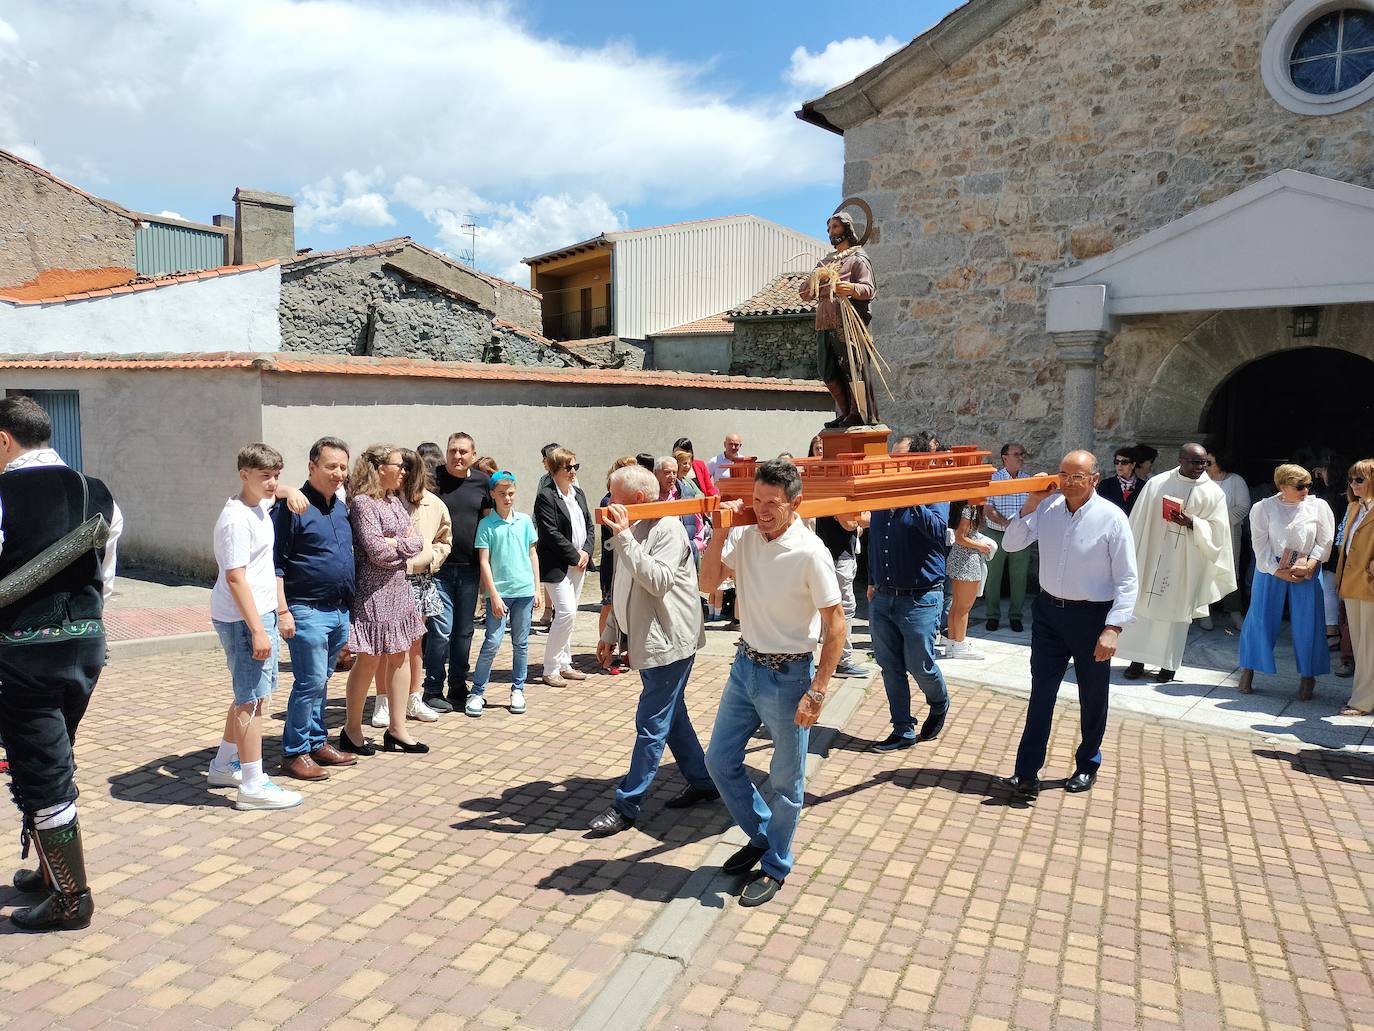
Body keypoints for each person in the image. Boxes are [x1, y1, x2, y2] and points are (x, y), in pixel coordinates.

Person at [0, 396, 122, 931]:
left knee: (43, 768)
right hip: (85, 645)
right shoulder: (97, 491)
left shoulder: (3, 493)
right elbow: (107, 576)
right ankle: (52, 873)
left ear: (4, 439)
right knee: (50, 754)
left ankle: (72, 900)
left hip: (22, 653)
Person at [700, 460, 844, 908]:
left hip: (789, 675)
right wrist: (722, 529)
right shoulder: (743, 536)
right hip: (745, 666)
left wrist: (818, 689)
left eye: (773, 504)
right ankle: (763, 835)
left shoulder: (810, 551)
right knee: (719, 761)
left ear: (795, 503)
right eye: (757, 501)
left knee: (786, 780)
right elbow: (708, 584)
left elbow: (836, 625)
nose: (762, 511)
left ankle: (777, 865)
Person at [996, 451, 1138, 801]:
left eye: (1078, 476)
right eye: (1064, 475)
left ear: (1094, 478)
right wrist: (1031, 501)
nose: (1069, 482)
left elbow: (1127, 580)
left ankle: (1087, 763)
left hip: (1092, 617)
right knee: (1041, 693)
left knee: (1092, 696)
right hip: (1048, 615)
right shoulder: (1047, 509)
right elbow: (1010, 543)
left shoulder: (1112, 518)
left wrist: (1113, 628)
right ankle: (1026, 773)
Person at [588, 464, 718, 836]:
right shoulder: (631, 528)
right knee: (671, 717)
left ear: (639, 500)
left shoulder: (667, 529)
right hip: (650, 640)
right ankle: (704, 781)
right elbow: (623, 581)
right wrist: (611, 631)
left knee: (651, 723)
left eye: (615, 495)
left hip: (669, 643)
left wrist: (625, 538)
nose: (609, 502)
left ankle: (626, 806)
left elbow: (658, 581)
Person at [205, 443, 303, 816]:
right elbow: (234, 578)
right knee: (251, 700)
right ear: (243, 474)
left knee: (253, 694)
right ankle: (252, 784)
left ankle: (224, 764)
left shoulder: (259, 503)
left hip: (259, 613)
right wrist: (259, 630)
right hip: (244, 618)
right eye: (265, 476)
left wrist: (289, 489)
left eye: (275, 475)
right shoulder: (236, 519)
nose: (272, 483)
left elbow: (277, 491)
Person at [272, 436, 360, 782]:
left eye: (342, 466)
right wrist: (283, 610)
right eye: (330, 466)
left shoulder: (339, 507)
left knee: (321, 681)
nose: (338, 473)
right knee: (308, 682)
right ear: (312, 467)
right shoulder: (292, 507)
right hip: (305, 609)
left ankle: (317, 741)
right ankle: (294, 753)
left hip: (338, 610)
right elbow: (276, 562)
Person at [1117, 444, 1236, 683]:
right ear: (1180, 460)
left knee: (1175, 615)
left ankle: (1168, 666)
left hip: (1185, 562)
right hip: (1153, 556)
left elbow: (1219, 532)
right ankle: (1137, 661)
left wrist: (1193, 523)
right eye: (1195, 462)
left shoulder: (1213, 493)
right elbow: (1138, 522)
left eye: (1203, 463)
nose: (1200, 468)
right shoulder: (1156, 484)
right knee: (1144, 610)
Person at [339, 445, 428, 755]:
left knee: (400, 656)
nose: (403, 471)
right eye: (398, 466)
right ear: (379, 468)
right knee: (369, 659)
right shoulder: (363, 504)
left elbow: (417, 541)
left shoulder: (393, 501)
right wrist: (400, 544)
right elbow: (377, 553)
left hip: (398, 590)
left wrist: (398, 543)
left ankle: (397, 728)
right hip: (373, 593)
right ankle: (351, 729)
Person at [1236, 464, 1334, 701]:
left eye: (1309, 485)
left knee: (1308, 621)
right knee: (1260, 616)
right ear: (1283, 486)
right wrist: (1275, 570)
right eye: (1300, 486)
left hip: (1305, 564)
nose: (1306, 490)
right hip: (1271, 566)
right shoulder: (1263, 508)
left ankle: (1308, 675)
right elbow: (1259, 545)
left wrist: (1311, 563)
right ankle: (1248, 668)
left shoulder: (1318, 506)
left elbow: (1326, 538)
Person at [866, 492, 952, 751]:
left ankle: (939, 701)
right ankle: (902, 729)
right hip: (883, 596)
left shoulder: (934, 496)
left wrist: (913, 500)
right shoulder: (880, 499)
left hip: (921, 597)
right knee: (890, 666)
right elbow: (876, 541)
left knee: (920, 665)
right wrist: (872, 579)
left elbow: (939, 531)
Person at [373, 448, 451, 728]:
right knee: (386, 644)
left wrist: (432, 558)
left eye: (409, 467)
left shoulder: (433, 503)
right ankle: (382, 702)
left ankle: (413, 699)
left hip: (420, 578)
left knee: (415, 643)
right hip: (389, 578)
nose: (404, 473)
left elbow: (444, 538)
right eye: (400, 467)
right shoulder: (381, 501)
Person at [423, 432, 492, 712]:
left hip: (470, 570)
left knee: (464, 632)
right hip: (439, 570)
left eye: (463, 451)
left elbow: (488, 524)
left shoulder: (482, 483)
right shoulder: (432, 480)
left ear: (473, 455)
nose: (457, 456)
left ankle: (457, 686)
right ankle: (432, 688)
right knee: (440, 629)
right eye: (453, 451)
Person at [468, 471, 541, 716]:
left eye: (511, 493)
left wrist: (537, 587)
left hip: (524, 591)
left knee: (521, 644)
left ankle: (518, 689)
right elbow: (484, 562)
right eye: (502, 494)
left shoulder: (524, 521)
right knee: (492, 641)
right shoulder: (487, 524)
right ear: (492, 495)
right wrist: (493, 594)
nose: (507, 498)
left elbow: (532, 554)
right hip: (499, 593)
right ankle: (477, 692)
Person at [798, 210, 878, 428]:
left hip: (847, 321)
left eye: (835, 227)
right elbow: (804, 293)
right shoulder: (824, 262)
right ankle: (844, 412)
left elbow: (869, 289)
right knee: (827, 369)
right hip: (824, 320)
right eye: (829, 228)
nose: (831, 232)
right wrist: (815, 279)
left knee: (852, 366)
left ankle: (857, 412)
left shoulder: (857, 258)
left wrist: (850, 288)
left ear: (846, 228)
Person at [535, 447, 593, 687]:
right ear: (554, 470)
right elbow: (549, 532)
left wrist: (587, 551)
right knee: (566, 612)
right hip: (557, 565)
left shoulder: (578, 494)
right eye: (567, 467)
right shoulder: (546, 496)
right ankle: (550, 668)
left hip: (579, 563)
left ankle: (565, 663)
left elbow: (589, 525)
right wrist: (574, 555)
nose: (572, 472)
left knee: (570, 615)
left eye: (575, 467)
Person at [1335, 459, 1374, 716]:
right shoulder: (1353, 507)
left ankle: (1362, 701)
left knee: (1368, 646)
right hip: (1351, 582)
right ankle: (1363, 697)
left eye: (1359, 479)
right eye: (1351, 479)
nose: (1353, 484)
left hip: (1369, 583)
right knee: (1361, 645)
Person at [982, 442, 1034, 632]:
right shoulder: (993, 479)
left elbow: (1033, 508)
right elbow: (988, 509)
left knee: (1019, 577)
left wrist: (1020, 528)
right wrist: (1007, 524)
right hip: (996, 533)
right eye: (1016, 454)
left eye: (1023, 454)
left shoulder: (1028, 481)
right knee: (993, 577)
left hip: (1021, 535)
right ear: (1005, 458)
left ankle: (1015, 617)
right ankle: (992, 615)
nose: (1021, 457)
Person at [1205, 450, 1251, 630]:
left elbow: (1243, 506)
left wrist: (1219, 520)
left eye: (1210, 463)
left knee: (1230, 571)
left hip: (1229, 534)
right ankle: (1204, 611)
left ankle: (1234, 611)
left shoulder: (1236, 481)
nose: (1205, 466)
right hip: (1205, 533)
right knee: (1205, 570)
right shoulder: (1200, 480)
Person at [945, 504, 996, 659]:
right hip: (966, 560)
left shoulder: (964, 508)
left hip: (958, 558)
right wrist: (981, 546)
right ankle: (959, 645)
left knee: (956, 605)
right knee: (964, 607)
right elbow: (961, 537)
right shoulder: (969, 509)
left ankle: (952, 643)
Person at [1096, 447, 1142, 516]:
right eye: (1117, 462)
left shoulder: (1143, 485)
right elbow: (1100, 509)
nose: (1119, 465)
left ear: (1133, 465)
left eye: (1124, 462)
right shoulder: (1106, 484)